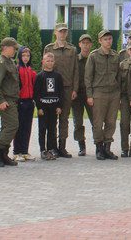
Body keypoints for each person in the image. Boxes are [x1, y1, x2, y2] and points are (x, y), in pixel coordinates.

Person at [43, 23, 79, 158]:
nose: (62, 34)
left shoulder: (72, 49)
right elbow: (45, 68)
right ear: (55, 33)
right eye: (60, 31)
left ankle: (62, 146)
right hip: (52, 87)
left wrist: (75, 88)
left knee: (64, 118)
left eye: (65, 32)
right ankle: (51, 146)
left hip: (67, 88)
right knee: (51, 118)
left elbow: (76, 70)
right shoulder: (49, 48)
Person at [85, 29, 121, 160]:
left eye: (110, 39)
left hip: (113, 93)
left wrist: (119, 94)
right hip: (99, 92)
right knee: (98, 122)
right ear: (100, 41)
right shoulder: (93, 56)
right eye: (105, 39)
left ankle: (107, 148)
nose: (108, 41)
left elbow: (119, 76)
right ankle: (99, 148)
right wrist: (89, 95)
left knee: (111, 122)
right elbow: (88, 77)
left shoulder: (116, 56)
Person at [0, 37, 21, 168]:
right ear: (5, 47)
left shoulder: (10, 62)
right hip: (5, 100)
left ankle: (3, 154)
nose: (15, 50)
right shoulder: (1, 63)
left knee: (6, 127)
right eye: (14, 48)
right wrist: (0, 100)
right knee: (13, 125)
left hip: (12, 98)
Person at [33, 52, 64, 160]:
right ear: (43, 62)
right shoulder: (39, 76)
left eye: (51, 61)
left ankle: (51, 148)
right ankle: (43, 149)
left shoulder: (58, 76)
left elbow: (61, 92)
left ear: (54, 62)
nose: (50, 63)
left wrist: (59, 106)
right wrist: (39, 107)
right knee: (42, 128)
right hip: (43, 107)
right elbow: (36, 94)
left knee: (52, 128)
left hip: (54, 107)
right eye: (47, 61)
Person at [14, 46, 37, 161]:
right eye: (23, 55)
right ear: (19, 56)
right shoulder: (17, 69)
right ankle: (16, 151)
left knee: (27, 127)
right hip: (20, 101)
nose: (26, 58)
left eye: (28, 55)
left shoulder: (32, 71)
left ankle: (24, 151)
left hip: (29, 101)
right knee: (19, 127)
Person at [119, 42, 131, 157]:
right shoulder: (122, 65)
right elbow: (118, 82)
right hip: (125, 97)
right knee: (124, 123)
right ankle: (124, 148)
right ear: (127, 51)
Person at [75, 34, 94, 156]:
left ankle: (99, 144)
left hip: (91, 94)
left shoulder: (94, 58)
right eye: (83, 43)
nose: (86, 45)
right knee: (78, 121)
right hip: (77, 94)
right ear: (79, 44)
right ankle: (81, 146)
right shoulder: (75, 59)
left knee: (95, 121)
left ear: (91, 45)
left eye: (88, 43)